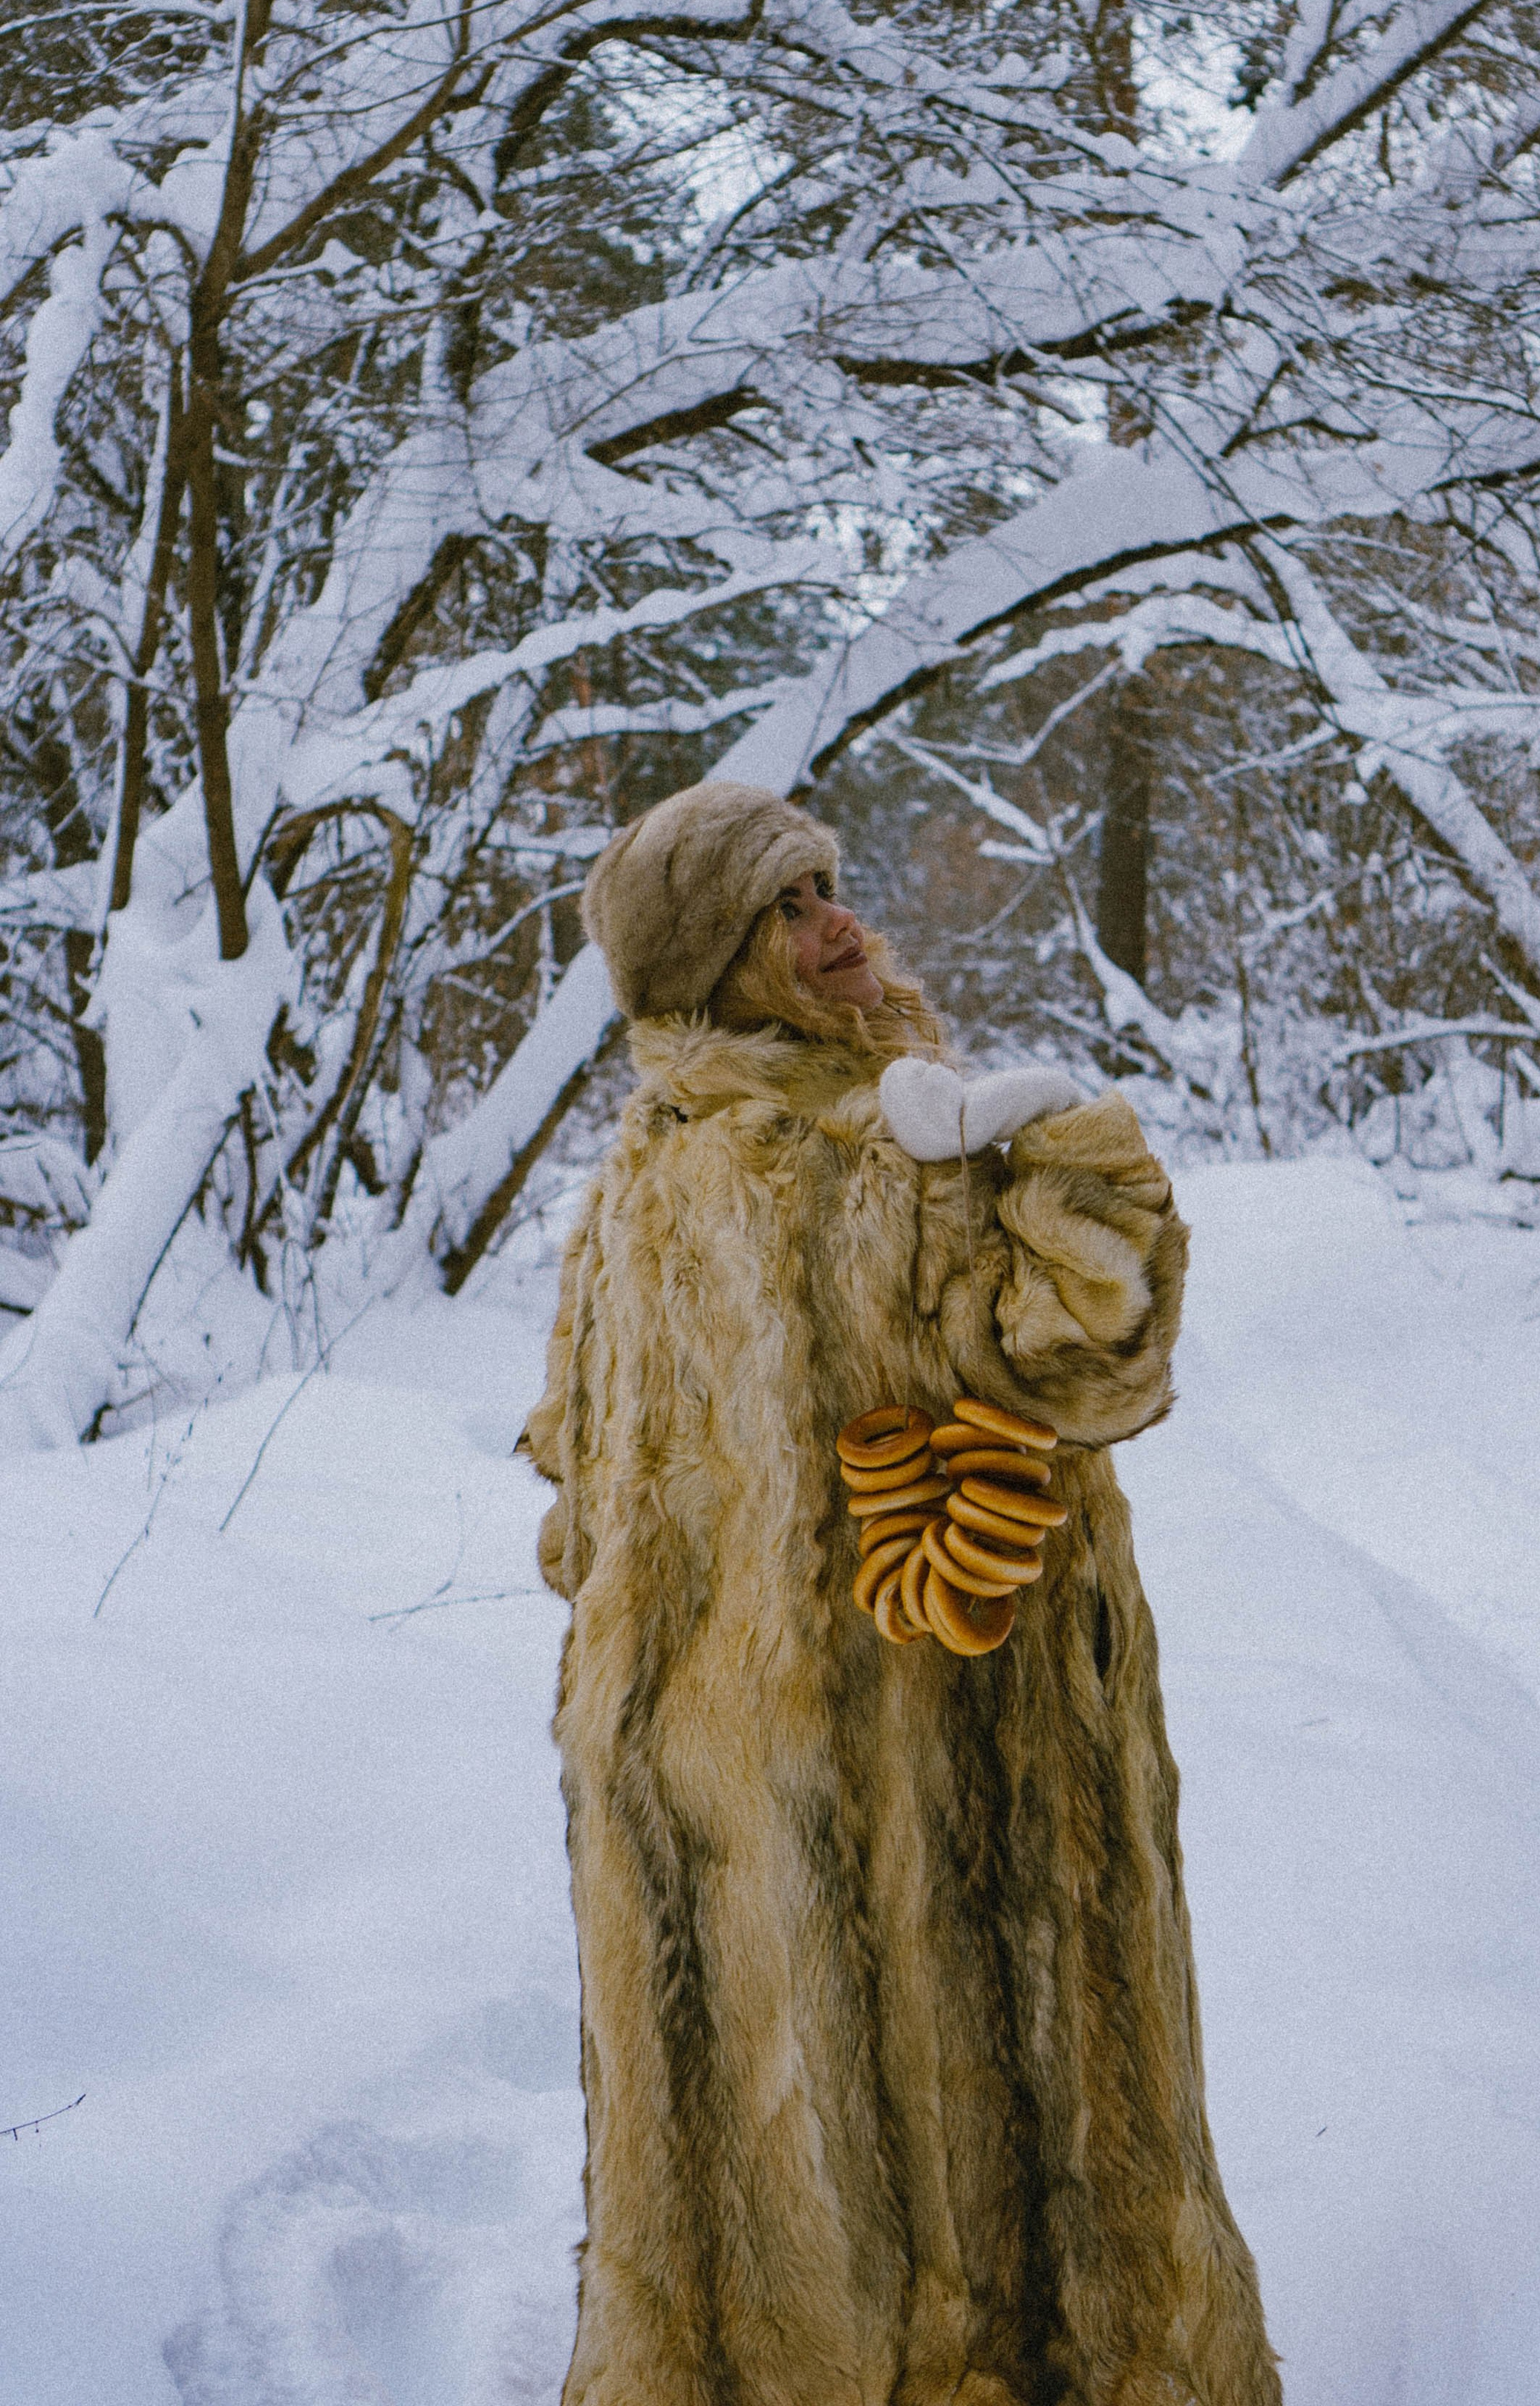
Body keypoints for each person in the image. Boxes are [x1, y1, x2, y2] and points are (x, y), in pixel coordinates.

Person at [520, 779, 1279, 2406]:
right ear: (711, 966)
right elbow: (1094, 1361)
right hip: (943, 1764)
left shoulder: (627, 1185)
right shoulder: (880, 1161)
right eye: (784, 912)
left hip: (690, 1798)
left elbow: (569, 1504)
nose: (836, 926)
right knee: (1003, 2158)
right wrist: (1076, 1150)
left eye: (828, 890)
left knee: (769, 2188)